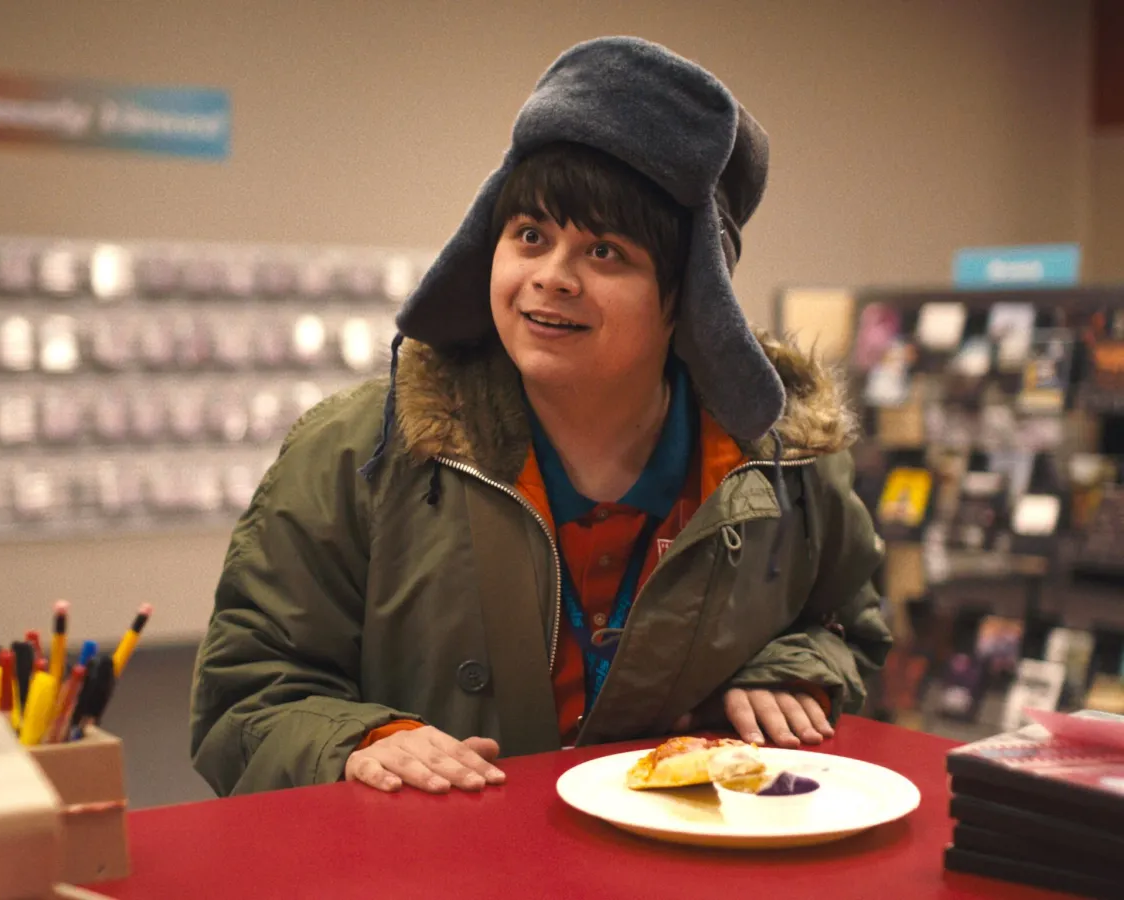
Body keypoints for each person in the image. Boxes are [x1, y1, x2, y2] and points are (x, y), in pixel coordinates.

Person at [190, 36, 891, 797]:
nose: (550, 278)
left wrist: (798, 671)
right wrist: (359, 741)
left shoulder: (784, 468)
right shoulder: (362, 449)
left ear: (690, 300)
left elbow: (846, 626)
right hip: (437, 869)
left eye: (604, 252)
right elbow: (247, 691)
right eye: (530, 236)